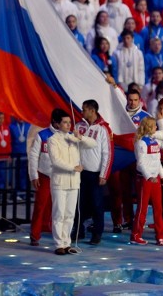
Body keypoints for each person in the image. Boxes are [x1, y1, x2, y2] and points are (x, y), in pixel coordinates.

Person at [48, 109, 95, 255]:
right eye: (65, 122)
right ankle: (58, 244)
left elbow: (93, 144)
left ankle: (67, 242)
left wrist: (80, 137)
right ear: (57, 123)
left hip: (74, 183)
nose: (68, 125)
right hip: (59, 182)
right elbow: (56, 161)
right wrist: (73, 168)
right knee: (59, 213)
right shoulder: (53, 140)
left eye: (69, 122)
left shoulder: (74, 138)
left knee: (70, 213)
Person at [73, 99, 113, 245]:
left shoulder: (103, 129)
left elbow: (107, 153)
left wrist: (104, 174)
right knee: (79, 204)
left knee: (97, 204)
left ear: (92, 110)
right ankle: (78, 230)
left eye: (84, 109)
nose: (82, 112)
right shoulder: (79, 126)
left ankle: (97, 233)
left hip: (95, 173)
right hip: (80, 172)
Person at [130, 117, 163, 246]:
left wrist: (162, 175)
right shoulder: (141, 143)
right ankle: (136, 235)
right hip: (145, 180)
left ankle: (160, 236)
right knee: (142, 208)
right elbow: (140, 163)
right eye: (155, 126)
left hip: (155, 179)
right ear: (149, 127)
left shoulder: (154, 141)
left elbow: (157, 161)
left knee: (158, 208)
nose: (156, 127)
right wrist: (149, 176)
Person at [27, 110, 60, 246]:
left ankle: (56, 232)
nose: (66, 125)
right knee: (40, 206)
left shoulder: (67, 136)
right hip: (44, 175)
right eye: (62, 122)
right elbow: (33, 156)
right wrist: (34, 176)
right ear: (54, 122)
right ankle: (35, 235)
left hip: (60, 177)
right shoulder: (42, 135)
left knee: (59, 207)